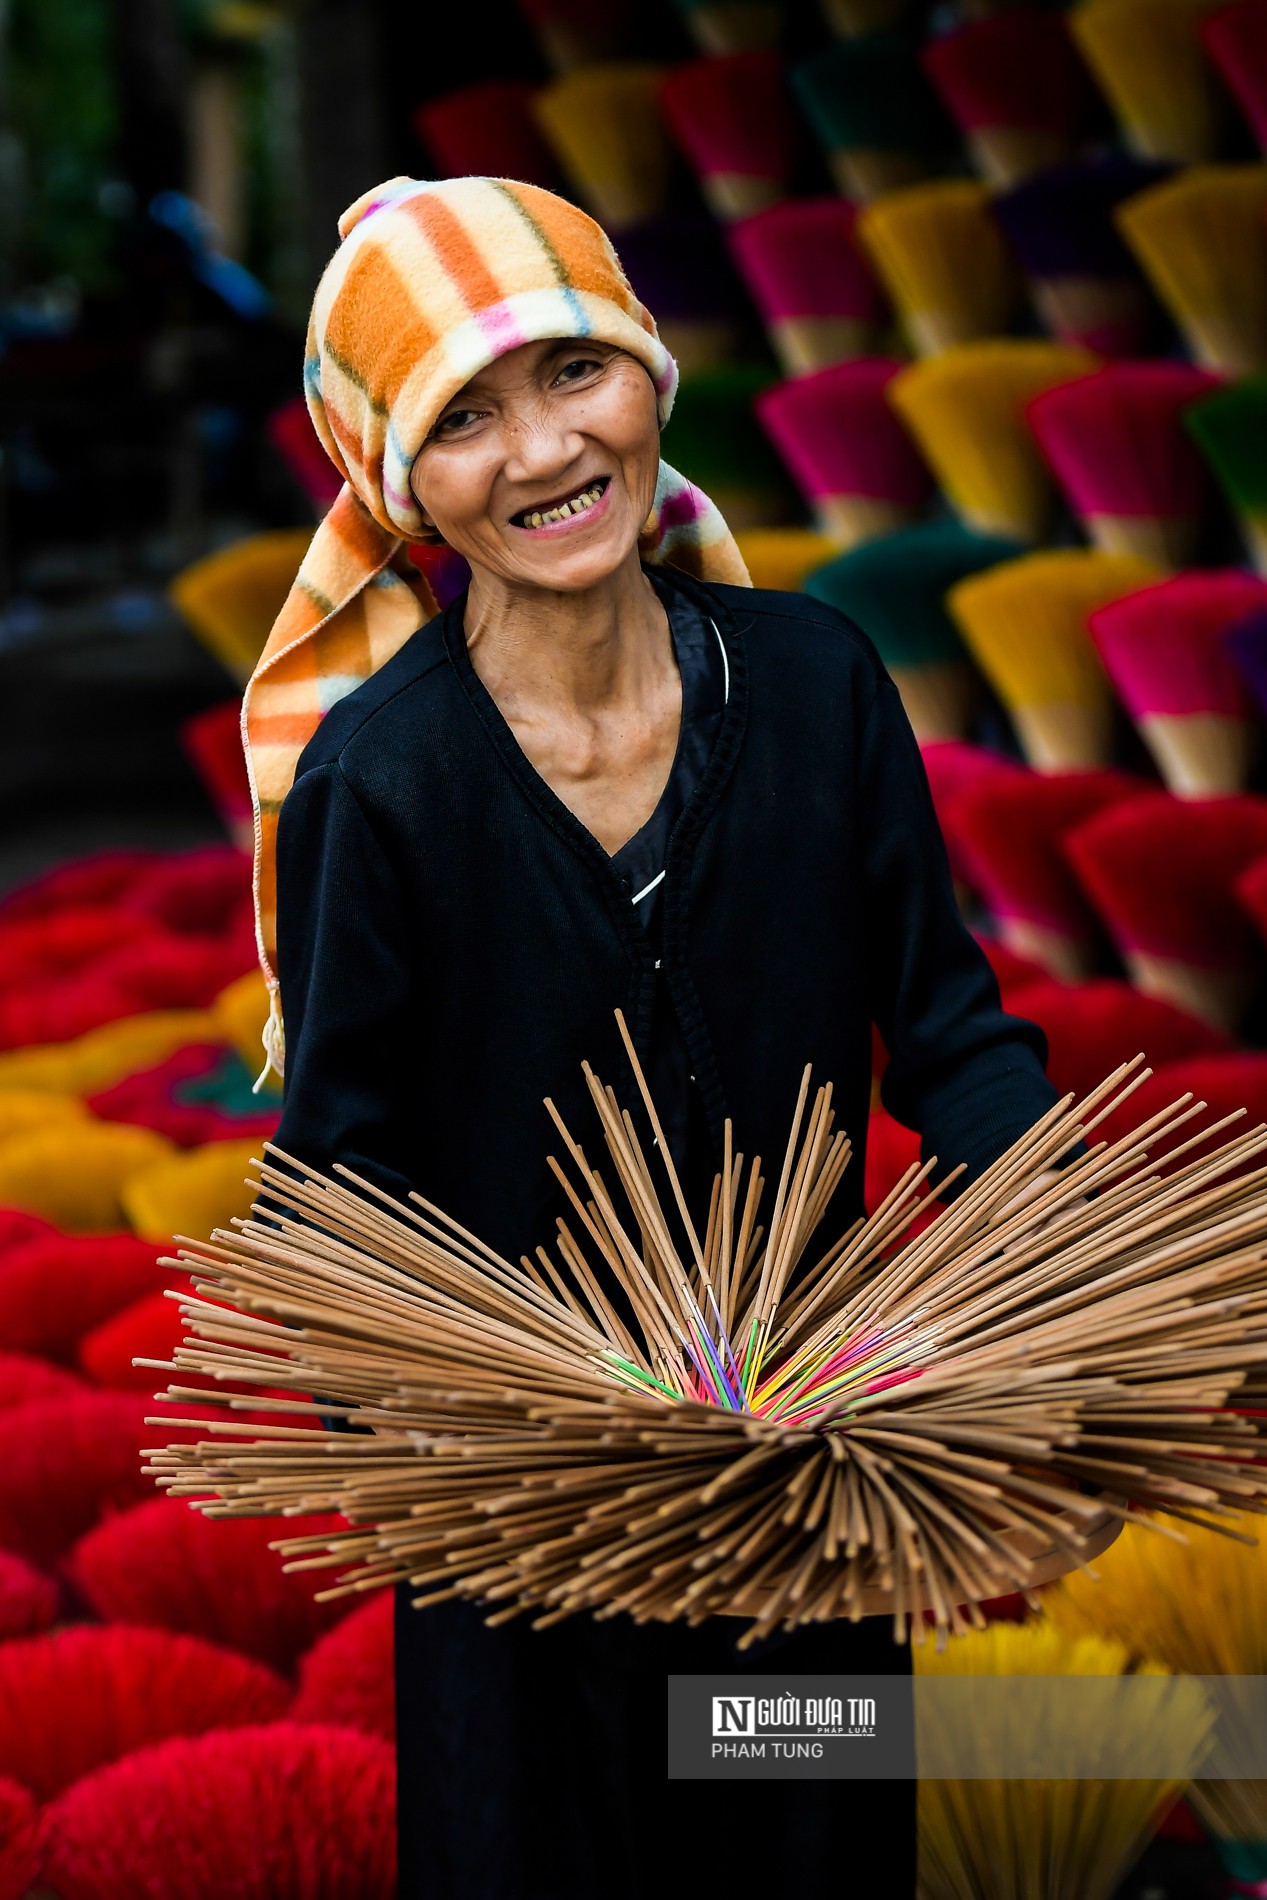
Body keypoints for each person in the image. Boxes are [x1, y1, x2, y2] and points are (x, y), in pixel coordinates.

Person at [244, 175, 1069, 1900]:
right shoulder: (381, 787)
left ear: (648, 376)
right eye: (462, 418)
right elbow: (338, 1202)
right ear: (403, 485)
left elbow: (954, 1037)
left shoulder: (821, 681)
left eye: (569, 373)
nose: (543, 450)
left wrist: (1057, 1275)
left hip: (805, 1508)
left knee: (816, 1848)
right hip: (522, 1571)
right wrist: (513, 1430)